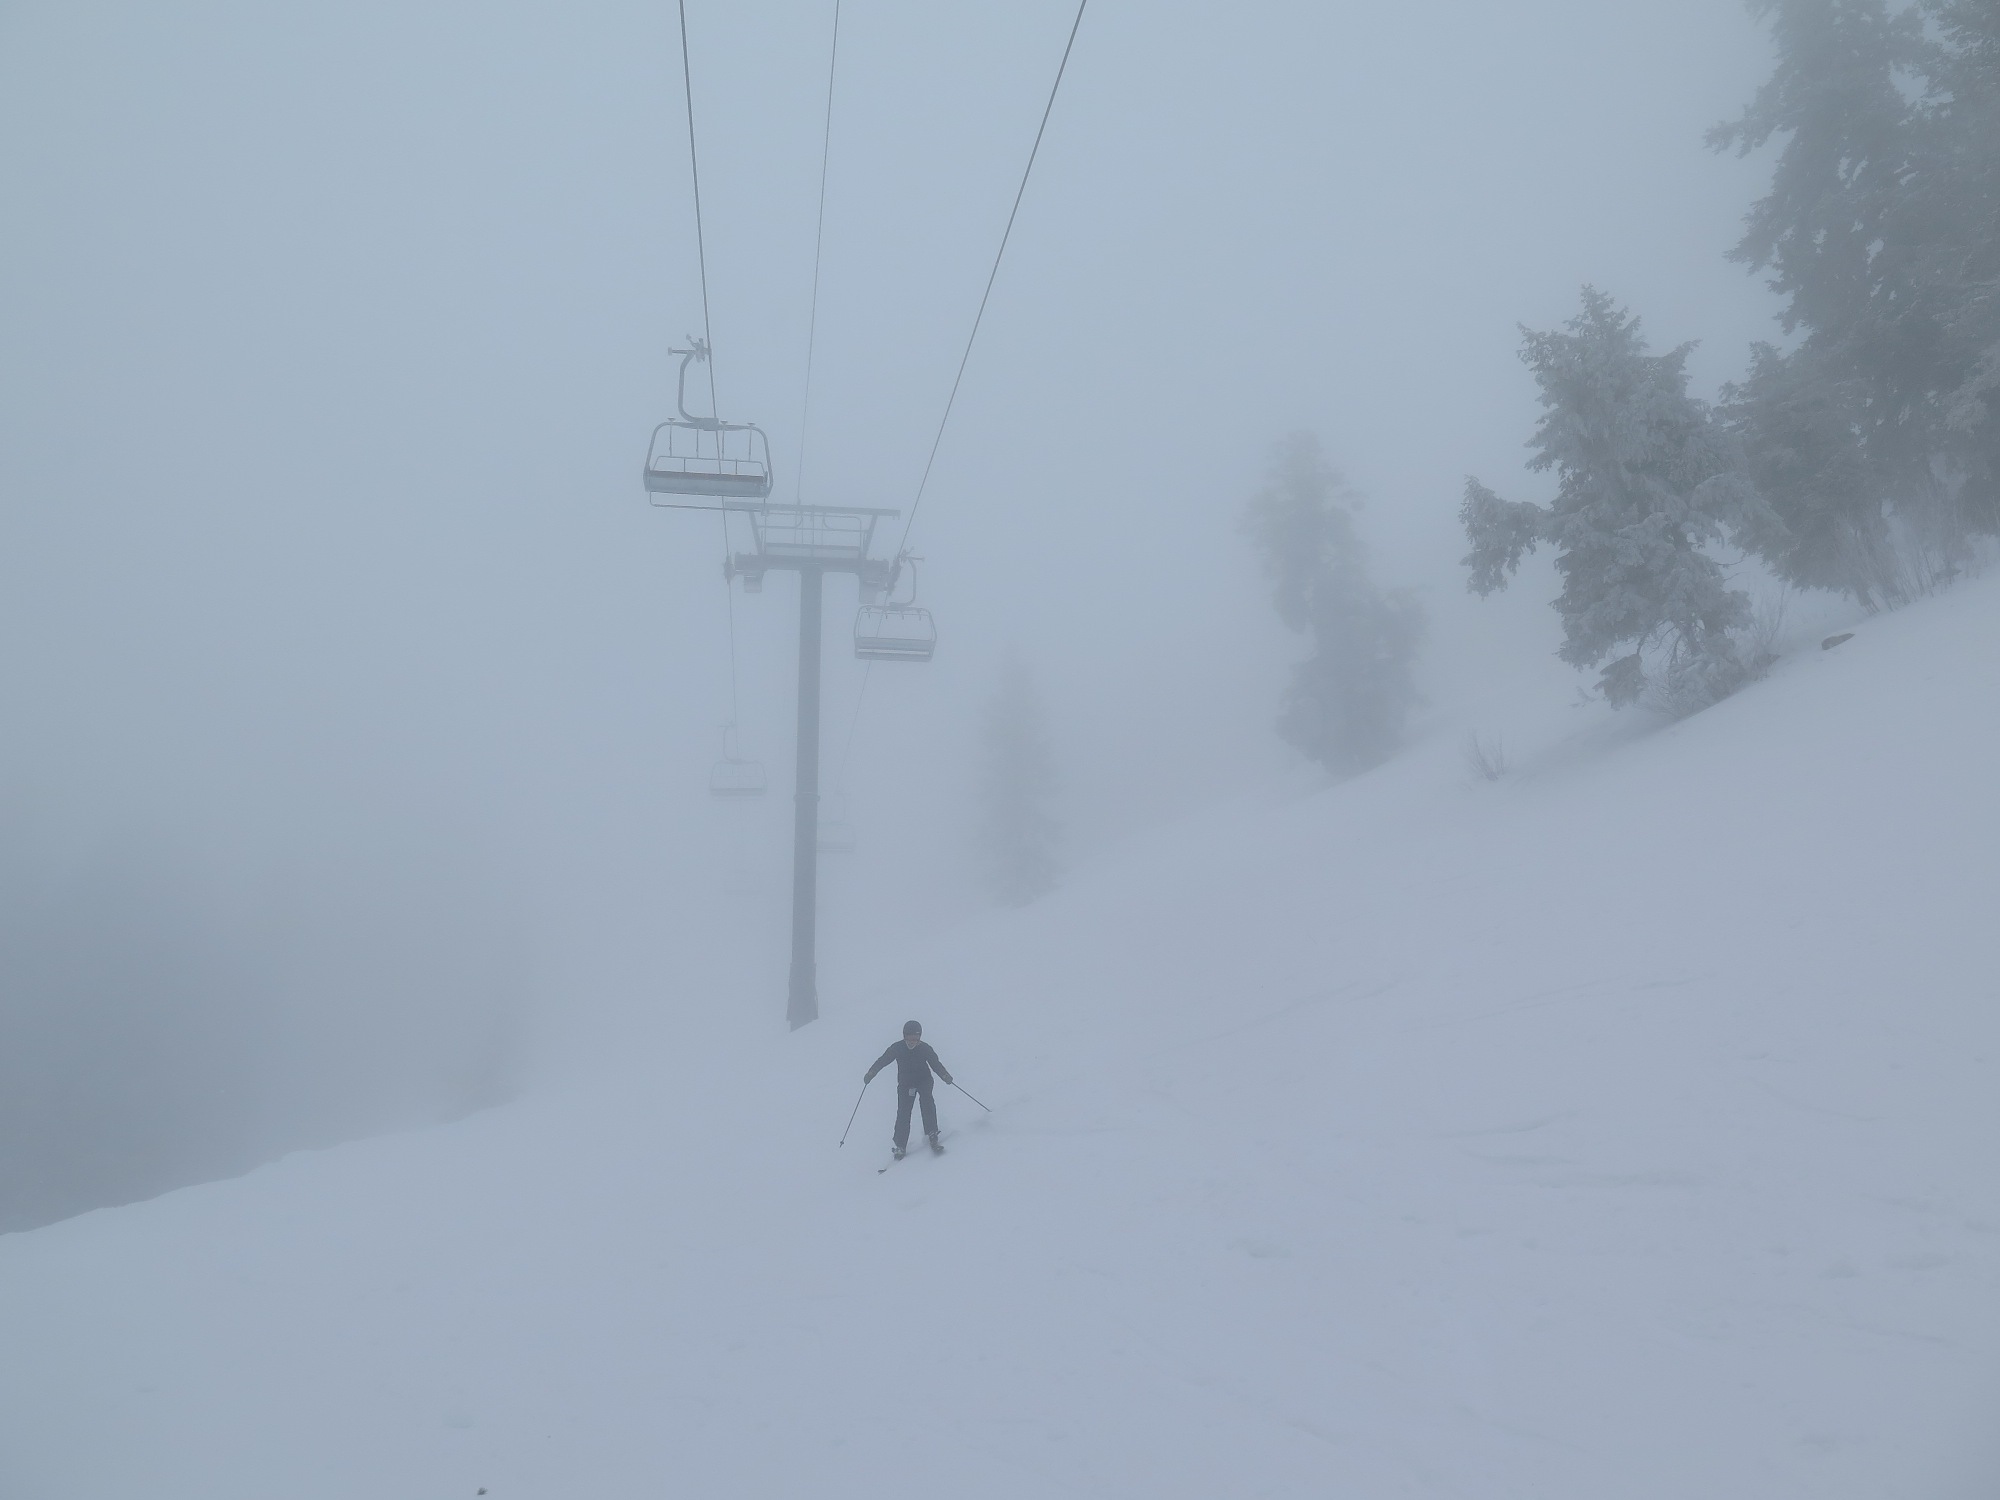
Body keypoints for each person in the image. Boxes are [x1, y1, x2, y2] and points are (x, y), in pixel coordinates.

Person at [864, 1020, 953, 1158]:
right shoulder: (897, 1048)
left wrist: (945, 1076)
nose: (912, 1041)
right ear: (904, 1036)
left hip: (924, 1080)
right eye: (910, 1038)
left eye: (916, 1038)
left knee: (927, 1102)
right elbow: (883, 1060)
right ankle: (900, 1145)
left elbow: (936, 1064)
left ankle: (932, 1133)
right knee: (903, 1112)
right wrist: (871, 1073)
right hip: (906, 1084)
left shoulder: (925, 1048)